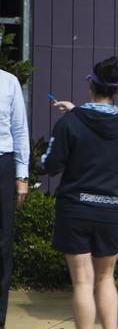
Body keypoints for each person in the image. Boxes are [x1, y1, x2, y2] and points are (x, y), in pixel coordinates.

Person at [42, 57, 118, 329]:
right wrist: (76, 112)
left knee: (83, 281)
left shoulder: (70, 122)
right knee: (106, 279)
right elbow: (99, 129)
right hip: (111, 209)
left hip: (76, 209)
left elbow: (51, 165)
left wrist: (73, 114)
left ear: (91, 85)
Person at [0, 69, 29, 329]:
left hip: (3, 164)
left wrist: (22, 177)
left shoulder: (9, 83)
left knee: (2, 244)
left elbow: (19, 130)